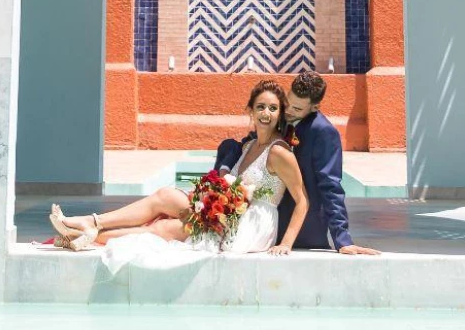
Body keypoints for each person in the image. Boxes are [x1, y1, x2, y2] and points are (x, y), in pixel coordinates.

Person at [49, 79, 309, 268]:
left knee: (165, 228)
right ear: (250, 111)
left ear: (279, 114)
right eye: (261, 107)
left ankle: (81, 235)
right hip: (229, 213)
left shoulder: (279, 152)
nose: (266, 114)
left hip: (252, 225)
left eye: (273, 109)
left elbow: (302, 200)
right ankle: (93, 223)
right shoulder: (250, 145)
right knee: (164, 195)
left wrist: (285, 243)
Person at [273, 71, 379, 254]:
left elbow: (330, 186)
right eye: (288, 103)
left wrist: (342, 239)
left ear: (314, 107)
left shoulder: (324, 132)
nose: (289, 110)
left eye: (297, 109)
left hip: (306, 232)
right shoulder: (279, 118)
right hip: (273, 224)